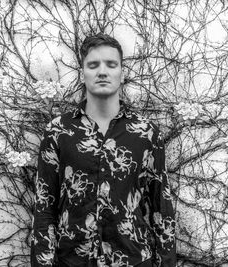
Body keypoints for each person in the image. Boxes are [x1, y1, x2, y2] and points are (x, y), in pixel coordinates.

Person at [31, 33, 176, 267]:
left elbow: (162, 210)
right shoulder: (58, 132)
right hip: (72, 261)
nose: (102, 71)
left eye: (111, 64)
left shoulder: (147, 134)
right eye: (93, 65)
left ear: (121, 72)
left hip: (133, 261)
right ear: (82, 73)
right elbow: (44, 208)